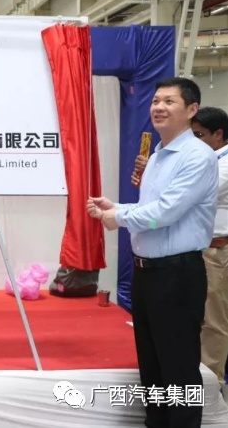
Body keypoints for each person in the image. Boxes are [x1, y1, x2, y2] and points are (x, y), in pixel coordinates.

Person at [87, 77, 218, 428]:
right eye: (156, 101)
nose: (159, 107)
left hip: (177, 274)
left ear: (191, 109)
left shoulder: (198, 156)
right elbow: (152, 208)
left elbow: (166, 212)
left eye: (169, 101)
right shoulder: (159, 154)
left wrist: (117, 218)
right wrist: (116, 207)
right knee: (152, 362)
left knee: (178, 364)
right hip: (148, 272)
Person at [131, 106, 228, 388]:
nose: (193, 140)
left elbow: (174, 201)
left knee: (213, 320)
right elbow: (162, 199)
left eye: (198, 135)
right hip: (187, 251)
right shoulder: (181, 157)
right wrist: (150, 175)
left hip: (215, 251)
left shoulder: (212, 162)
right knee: (181, 325)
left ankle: (211, 383)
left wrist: (154, 177)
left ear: (218, 134)